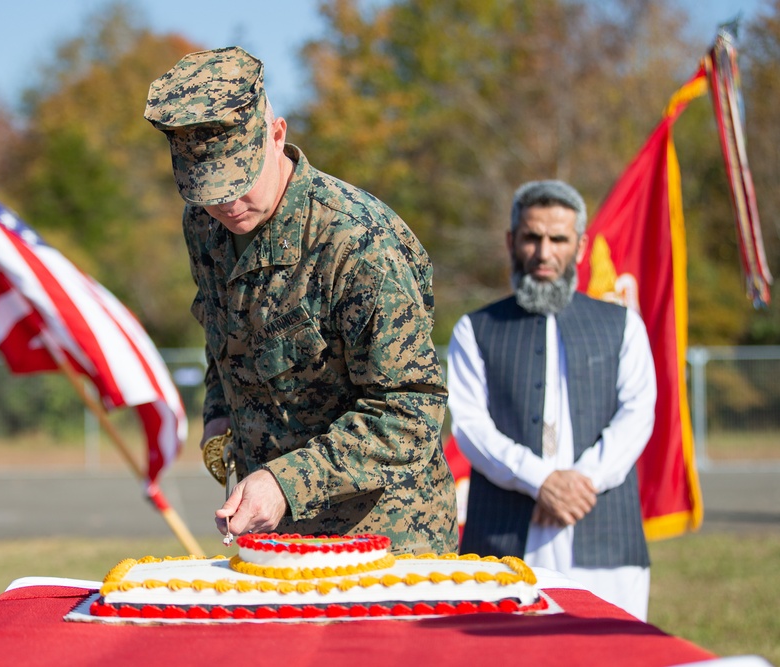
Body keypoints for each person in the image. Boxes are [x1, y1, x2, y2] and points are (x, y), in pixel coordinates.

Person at [144, 46, 457, 555]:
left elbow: (411, 411)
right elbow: (223, 331)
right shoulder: (205, 225)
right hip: (275, 539)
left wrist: (286, 481)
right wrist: (220, 412)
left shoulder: (357, 243)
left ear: (277, 133)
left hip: (385, 540)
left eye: (237, 181)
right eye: (206, 188)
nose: (225, 203)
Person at [446, 179, 656, 620]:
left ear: (579, 246)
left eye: (558, 239)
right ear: (511, 241)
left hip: (603, 531)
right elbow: (470, 427)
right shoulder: (475, 328)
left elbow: (637, 414)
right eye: (532, 238)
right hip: (503, 539)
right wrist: (541, 480)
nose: (544, 254)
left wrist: (579, 482)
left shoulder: (622, 325)